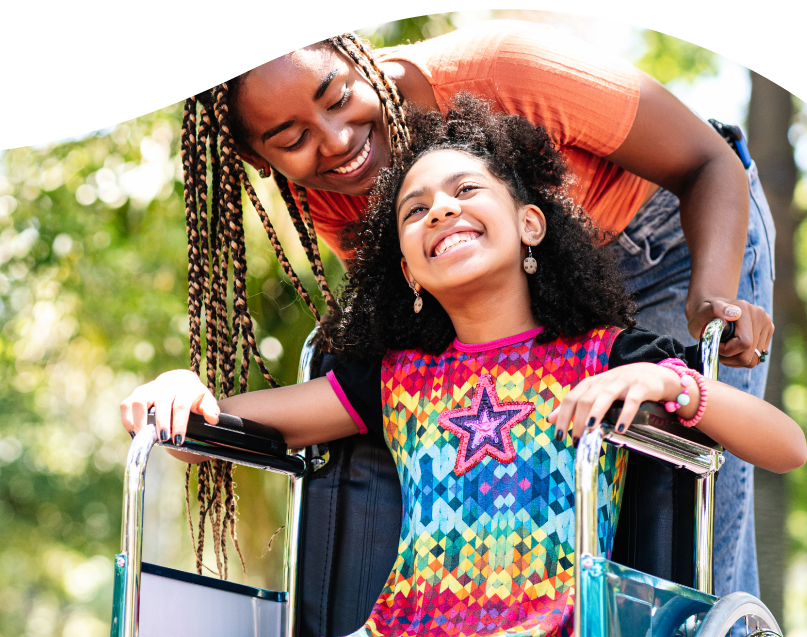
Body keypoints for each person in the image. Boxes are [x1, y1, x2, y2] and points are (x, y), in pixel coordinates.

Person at [142, 96, 804, 636]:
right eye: (416, 208)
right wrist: (182, 391)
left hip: (555, 623)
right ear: (409, 270)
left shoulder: (607, 356)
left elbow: (787, 446)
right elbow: (215, 434)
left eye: (465, 188)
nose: (443, 209)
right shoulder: (395, 380)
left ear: (530, 225)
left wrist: (667, 380)